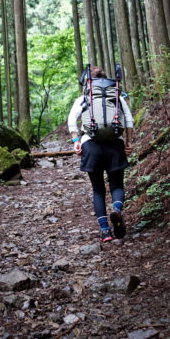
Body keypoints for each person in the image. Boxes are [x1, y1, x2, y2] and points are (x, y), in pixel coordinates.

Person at [67, 66, 134, 242]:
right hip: (115, 145)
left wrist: (76, 142)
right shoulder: (116, 95)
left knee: (98, 190)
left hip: (90, 145)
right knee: (117, 186)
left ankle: (105, 231)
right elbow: (129, 120)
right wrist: (128, 142)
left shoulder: (84, 97)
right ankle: (117, 210)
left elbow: (72, 120)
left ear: (89, 81)